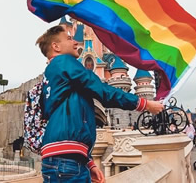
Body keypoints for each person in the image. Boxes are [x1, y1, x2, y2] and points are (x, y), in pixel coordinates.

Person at [35, 25, 164, 182]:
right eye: (69, 38)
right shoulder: (64, 62)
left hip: (56, 158)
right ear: (56, 46)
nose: (75, 42)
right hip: (67, 161)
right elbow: (103, 91)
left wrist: (89, 163)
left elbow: (70, 120)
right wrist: (143, 104)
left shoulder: (51, 74)